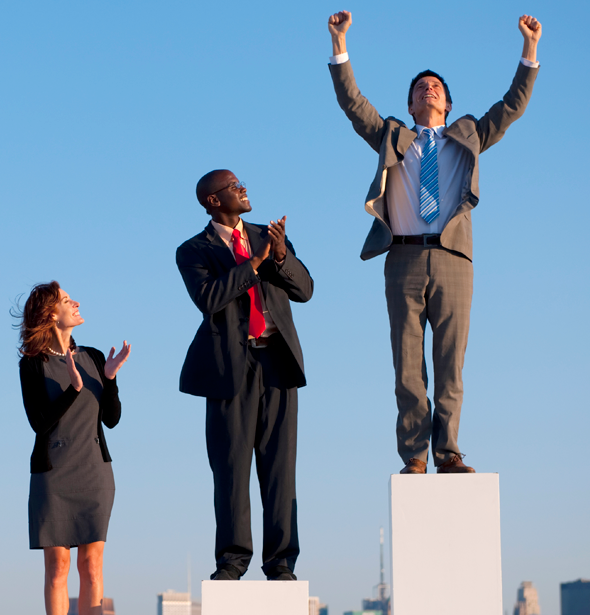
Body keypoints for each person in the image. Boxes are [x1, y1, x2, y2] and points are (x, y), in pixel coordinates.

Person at [326, 11, 542, 474]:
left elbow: (512, 106)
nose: (429, 89)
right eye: (421, 87)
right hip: (402, 256)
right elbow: (353, 103)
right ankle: (414, 455)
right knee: (407, 363)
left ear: (447, 103)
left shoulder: (469, 135)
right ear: (410, 105)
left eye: (436, 86)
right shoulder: (392, 135)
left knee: (450, 362)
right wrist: (340, 44)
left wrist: (530, 49)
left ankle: (448, 452)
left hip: (453, 258)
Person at [176, 170, 314, 581]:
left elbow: (305, 290)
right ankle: (232, 562)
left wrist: (280, 256)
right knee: (231, 470)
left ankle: (281, 562)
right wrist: (254, 264)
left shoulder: (268, 237)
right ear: (213, 200)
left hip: (278, 364)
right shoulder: (192, 250)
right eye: (235, 186)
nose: (244, 189)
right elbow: (209, 298)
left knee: (280, 470)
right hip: (229, 369)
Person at [17, 281, 131, 615]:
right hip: (53, 475)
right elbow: (39, 423)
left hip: (94, 472)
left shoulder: (93, 357)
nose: (76, 303)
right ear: (51, 314)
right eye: (67, 300)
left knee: (92, 566)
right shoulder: (32, 364)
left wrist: (110, 379)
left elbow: (112, 419)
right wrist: (74, 390)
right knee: (58, 567)